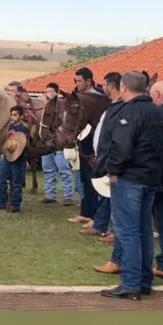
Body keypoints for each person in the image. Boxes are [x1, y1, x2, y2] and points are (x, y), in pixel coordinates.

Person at [95, 80, 163, 280]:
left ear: (158, 94)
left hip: (146, 178)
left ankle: (124, 268)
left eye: (153, 93)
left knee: (130, 227)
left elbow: (130, 147)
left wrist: (113, 169)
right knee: (160, 225)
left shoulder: (152, 115)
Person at [94, 71, 163, 300]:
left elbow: (122, 147)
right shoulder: (156, 111)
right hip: (150, 177)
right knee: (144, 231)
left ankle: (131, 283)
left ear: (123, 87)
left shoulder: (129, 111)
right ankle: (144, 280)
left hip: (129, 178)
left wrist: (113, 170)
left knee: (127, 233)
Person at [80, 72, 123, 239]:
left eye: (105, 85)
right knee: (106, 194)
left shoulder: (120, 107)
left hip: (113, 158)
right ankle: (100, 224)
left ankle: (111, 229)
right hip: (104, 157)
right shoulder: (112, 105)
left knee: (113, 194)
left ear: (112, 86)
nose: (102, 87)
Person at [69, 66, 106, 226]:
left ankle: (95, 215)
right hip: (83, 140)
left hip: (94, 141)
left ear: (89, 81)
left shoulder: (98, 98)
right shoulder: (78, 97)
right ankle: (85, 212)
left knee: (93, 178)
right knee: (84, 178)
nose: (77, 84)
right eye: (75, 81)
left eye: (79, 81)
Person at [40, 82, 75, 206]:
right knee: (48, 168)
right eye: (46, 91)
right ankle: (50, 195)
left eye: (50, 91)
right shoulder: (45, 106)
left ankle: (68, 196)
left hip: (59, 141)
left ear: (56, 92)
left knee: (64, 169)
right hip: (47, 140)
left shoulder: (62, 106)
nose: (47, 94)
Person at [0, 105, 31, 212]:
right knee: (2, 179)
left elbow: (25, 144)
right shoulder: (11, 127)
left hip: (19, 158)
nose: (12, 117)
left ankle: (15, 205)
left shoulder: (24, 129)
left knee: (16, 182)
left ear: (21, 116)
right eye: (11, 115)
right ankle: (1, 202)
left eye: (15, 115)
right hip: (8, 155)